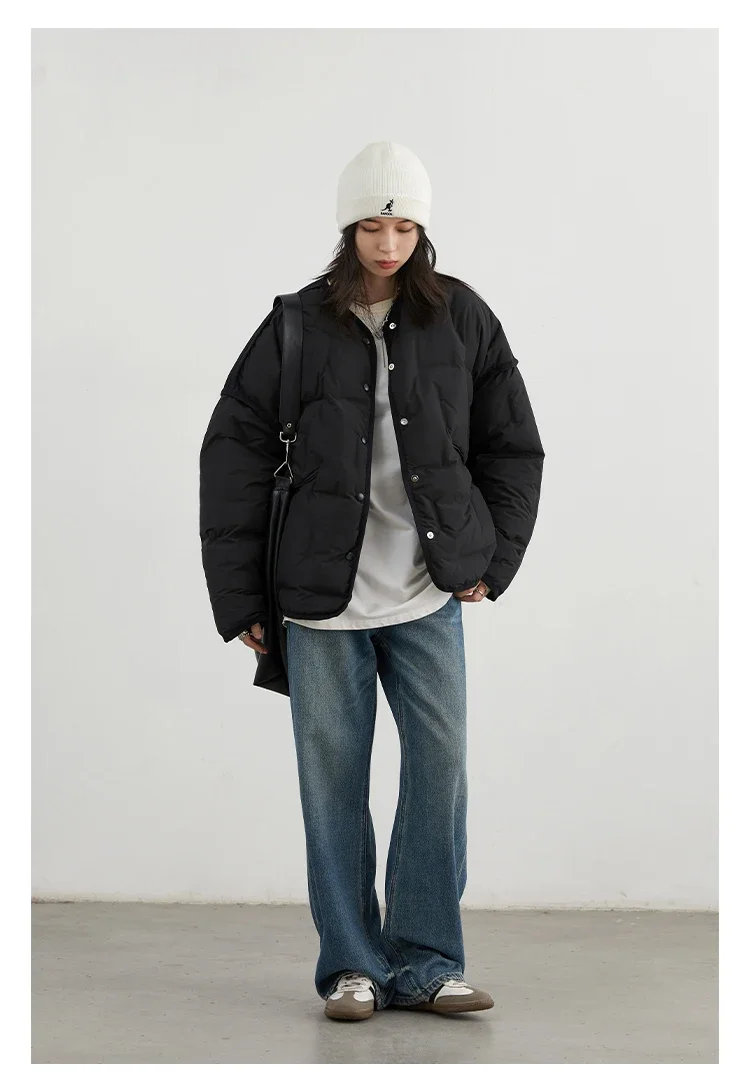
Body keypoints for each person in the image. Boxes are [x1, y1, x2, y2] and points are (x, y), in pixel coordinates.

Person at [199, 141, 545, 1021]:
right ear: (346, 229)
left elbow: (513, 446)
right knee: (332, 787)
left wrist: (493, 559)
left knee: (440, 771)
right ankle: (352, 965)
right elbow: (232, 454)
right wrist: (240, 598)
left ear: (422, 230)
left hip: (429, 591)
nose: (388, 244)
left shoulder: (463, 317)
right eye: (370, 226)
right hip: (319, 600)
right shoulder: (295, 324)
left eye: (403, 228)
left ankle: (427, 961)